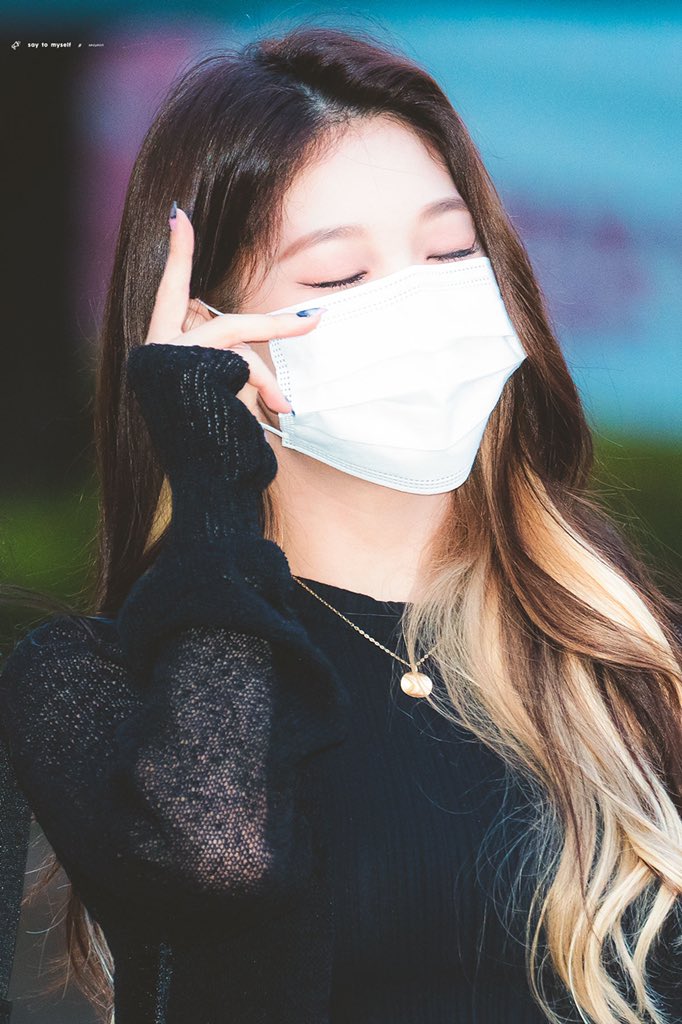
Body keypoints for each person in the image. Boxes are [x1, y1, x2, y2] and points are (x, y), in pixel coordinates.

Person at [1, 23, 681, 1024]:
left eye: (450, 252)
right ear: (205, 336)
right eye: (337, 277)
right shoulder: (97, 682)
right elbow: (217, 861)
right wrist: (212, 478)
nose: (418, 304)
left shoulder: (614, 651)